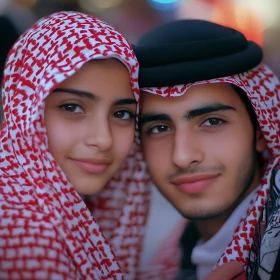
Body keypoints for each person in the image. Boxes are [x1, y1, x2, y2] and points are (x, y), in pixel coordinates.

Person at [0, 11, 149, 279]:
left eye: (122, 114)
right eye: (72, 107)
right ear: (25, 110)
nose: (103, 139)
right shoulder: (31, 241)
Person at [134, 19, 280, 279]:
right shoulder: (169, 259)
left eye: (213, 121)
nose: (183, 156)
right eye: (158, 128)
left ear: (260, 132)